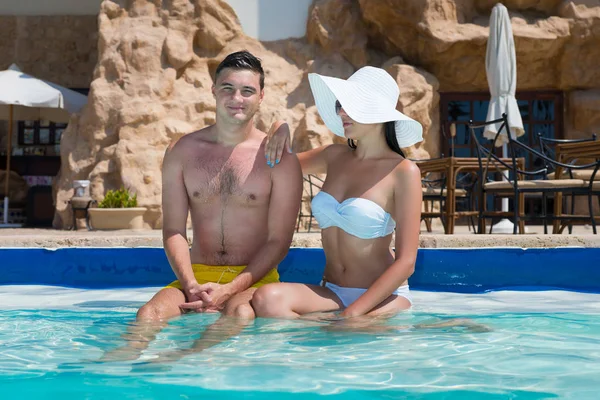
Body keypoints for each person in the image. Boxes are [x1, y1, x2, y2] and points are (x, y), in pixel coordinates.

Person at [102, 50, 302, 361]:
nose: (237, 97)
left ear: (261, 97)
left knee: (240, 313)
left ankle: (177, 360)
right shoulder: (182, 151)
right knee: (148, 314)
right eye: (227, 88)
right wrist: (190, 283)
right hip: (195, 275)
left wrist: (231, 288)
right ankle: (109, 370)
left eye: (247, 90)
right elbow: (173, 229)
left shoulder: (277, 158)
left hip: (254, 279)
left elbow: (280, 241)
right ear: (213, 90)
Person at [252, 66, 423, 322]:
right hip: (332, 292)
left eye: (350, 105)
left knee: (347, 327)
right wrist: (280, 126)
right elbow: (273, 166)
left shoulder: (403, 171)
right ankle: (327, 326)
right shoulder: (333, 156)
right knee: (266, 299)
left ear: (378, 111)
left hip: (383, 298)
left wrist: (352, 313)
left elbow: (406, 262)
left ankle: (330, 325)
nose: (341, 112)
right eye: (339, 105)